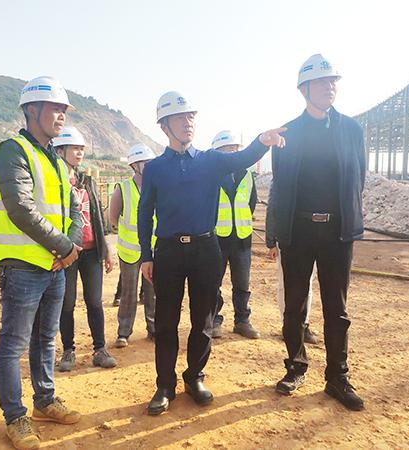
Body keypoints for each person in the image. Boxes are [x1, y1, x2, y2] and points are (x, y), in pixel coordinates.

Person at [138, 91, 286, 415]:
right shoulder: (155, 169)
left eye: (191, 116)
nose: (188, 122)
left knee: (203, 319)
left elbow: (242, 158)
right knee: (166, 322)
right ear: (164, 126)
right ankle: (165, 385)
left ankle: (194, 377)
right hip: (168, 251)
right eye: (180, 118)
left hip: (206, 249)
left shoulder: (210, 160)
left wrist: (262, 141)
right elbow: (144, 211)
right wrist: (146, 255)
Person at [0, 76, 82, 450]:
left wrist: (70, 245)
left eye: (64, 110)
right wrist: (64, 246)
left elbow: (74, 208)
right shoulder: (12, 151)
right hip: (23, 267)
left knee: (46, 338)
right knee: (13, 343)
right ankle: (15, 417)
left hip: (55, 267)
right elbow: (20, 208)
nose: (61, 116)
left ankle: (45, 401)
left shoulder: (56, 160)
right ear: (31, 109)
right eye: (54, 108)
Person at [269, 54, 366, 411]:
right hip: (298, 232)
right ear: (304, 89)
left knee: (337, 309)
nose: (330, 87)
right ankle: (295, 367)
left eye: (333, 81)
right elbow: (280, 186)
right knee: (294, 307)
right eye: (323, 82)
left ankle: (337, 377)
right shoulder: (287, 134)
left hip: (337, 234)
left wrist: (348, 219)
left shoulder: (352, 131)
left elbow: (358, 179)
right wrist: (275, 233)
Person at [52, 126, 117, 371]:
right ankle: (68, 351)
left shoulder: (87, 182)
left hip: (91, 252)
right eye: (75, 148)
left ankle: (100, 350)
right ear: (60, 151)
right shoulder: (54, 182)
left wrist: (105, 249)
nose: (79, 153)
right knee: (67, 303)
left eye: (82, 149)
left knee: (95, 302)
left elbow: (97, 217)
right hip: (67, 253)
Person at [210, 130, 260, 340]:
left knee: (242, 283)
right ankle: (214, 320)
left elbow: (251, 203)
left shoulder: (247, 176)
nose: (231, 153)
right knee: (214, 283)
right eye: (226, 149)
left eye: (234, 149)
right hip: (217, 240)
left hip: (241, 239)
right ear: (218, 152)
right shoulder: (211, 176)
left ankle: (242, 321)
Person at [109, 143, 157, 348]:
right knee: (128, 293)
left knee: (152, 292)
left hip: (153, 251)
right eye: (145, 162)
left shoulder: (158, 187)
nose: (149, 165)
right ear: (134, 165)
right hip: (130, 251)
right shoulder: (123, 189)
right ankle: (124, 332)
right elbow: (112, 219)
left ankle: (153, 329)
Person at [265, 182, 318, 345]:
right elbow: (273, 208)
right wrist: (271, 242)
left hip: (311, 238)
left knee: (308, 284)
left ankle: (303, 324)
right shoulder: (284, 176)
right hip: (287, 239)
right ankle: (287, 325)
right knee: (286, 284)